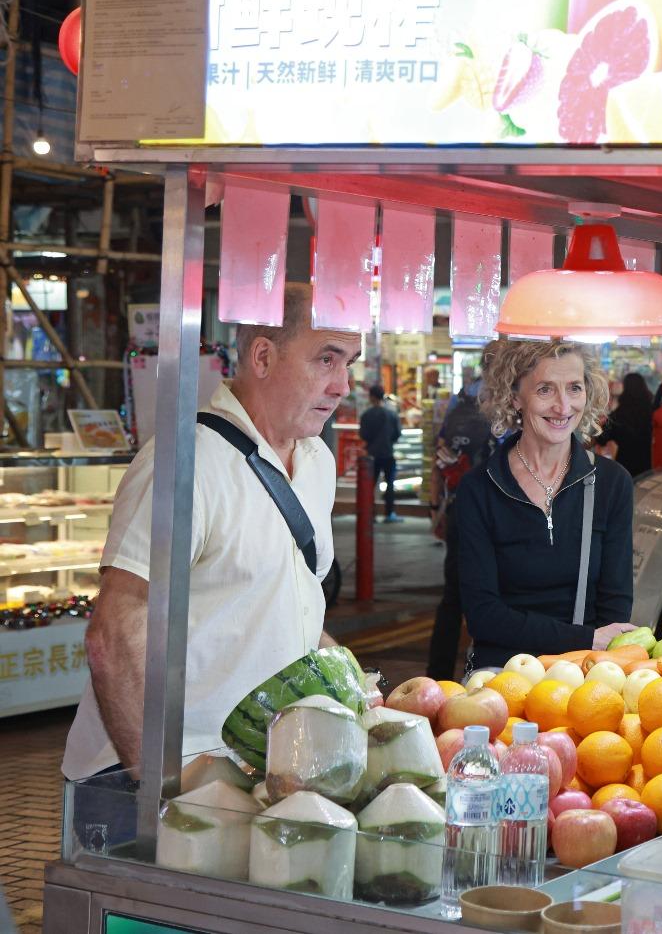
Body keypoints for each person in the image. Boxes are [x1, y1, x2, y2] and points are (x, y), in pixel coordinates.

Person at [65, 283, 357, 784]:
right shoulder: (185, 461)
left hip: (254, 767)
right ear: (262, 356)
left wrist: (356, 688)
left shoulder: (316, 463)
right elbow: (112, 635)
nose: (343, 385)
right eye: (326, 360)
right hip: (161, 768)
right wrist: (157, 791)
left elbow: (281, 605)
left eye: (350, 362)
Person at [452, 339, 636, 665]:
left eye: (574, 388)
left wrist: (589, 648)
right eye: (545, 390)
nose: (563, 407)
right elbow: (482, 615)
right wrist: (587, 638)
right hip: (502, 676)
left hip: (582, 676)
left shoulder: (611, 483)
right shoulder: (479, 488)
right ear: (514, 397)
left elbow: (614, 608)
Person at [425, 364, 496, 681]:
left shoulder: (459, 404)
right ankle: (479, 676)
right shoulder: (506, 407)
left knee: (452, 600)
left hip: (457, 509)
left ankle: (438, 676)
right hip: (494, 514)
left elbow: (438, 459)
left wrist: (435, 503)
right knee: (491, 601)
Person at [596, 372, 653, 478]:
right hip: (649, 465)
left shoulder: (618, 415)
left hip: (625, 466)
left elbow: (601, 439)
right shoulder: (652, 412)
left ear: (625, 388)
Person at [359, 383, 403, 522]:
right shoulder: (391, 414)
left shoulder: (366, 415)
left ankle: (370, 515)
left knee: (370, 485)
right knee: (390, 484)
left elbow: (363, 435)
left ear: (371, 397)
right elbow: (397, 434)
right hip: (388, 453)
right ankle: (389, 514)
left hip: (371, 455)